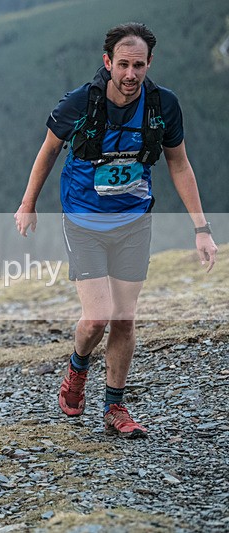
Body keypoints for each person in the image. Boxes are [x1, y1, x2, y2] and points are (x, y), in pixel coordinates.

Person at [14, 22, 217, 438]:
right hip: (84, 221)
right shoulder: (79, 103)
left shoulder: (163, 106)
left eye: (138, 65)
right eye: (123, 64)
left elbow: (179, 164)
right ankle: (77, 368)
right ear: (107, 62)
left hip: (134, 221)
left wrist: (202, 228)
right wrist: (28, 204)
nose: (130, 74)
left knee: (124, 318)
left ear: (149, 64)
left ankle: (114, 407)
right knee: (97, 318)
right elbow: (48, 150)